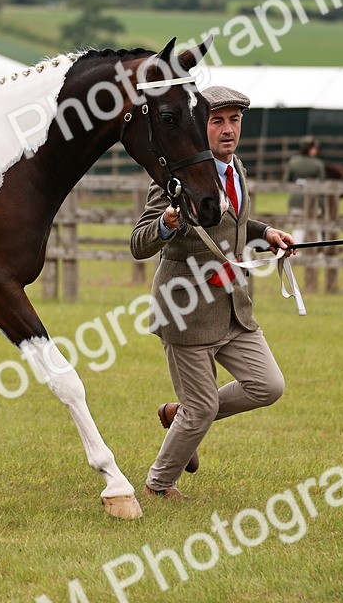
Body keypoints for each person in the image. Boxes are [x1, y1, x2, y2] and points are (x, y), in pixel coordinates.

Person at [130, 86, 296, 501]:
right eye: (217, 121)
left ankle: (177, 414)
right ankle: (158, 485)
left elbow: (234, 224)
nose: (227, 130)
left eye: (234, 120)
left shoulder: (236, 167)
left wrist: (265, 232)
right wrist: (167, 222)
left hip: (233, 308)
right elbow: (139, 243)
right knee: (201, 410)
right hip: (185, 312)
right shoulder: (172, 180)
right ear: (196, 125)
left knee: (268, 386)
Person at [284, 136, 327, 213]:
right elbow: (322, 184)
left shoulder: (292, 162)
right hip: (314, 203)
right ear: (310, 149)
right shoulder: (318, 164)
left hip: (295, 202)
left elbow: (287, 181)